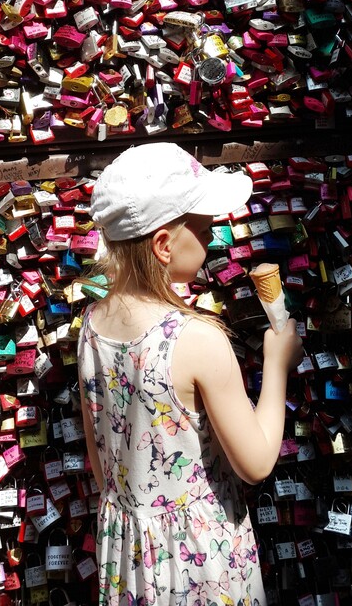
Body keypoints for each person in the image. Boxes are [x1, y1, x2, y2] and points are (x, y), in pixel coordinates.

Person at [78, 142, 304, 606]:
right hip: (200, 560)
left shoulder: (92, 325)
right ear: (164, 245)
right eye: (203, 228)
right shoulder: (198, 338)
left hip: (130, 558)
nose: (213, 237)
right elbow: (256, 463)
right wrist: (277, 364)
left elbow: (103, 467)